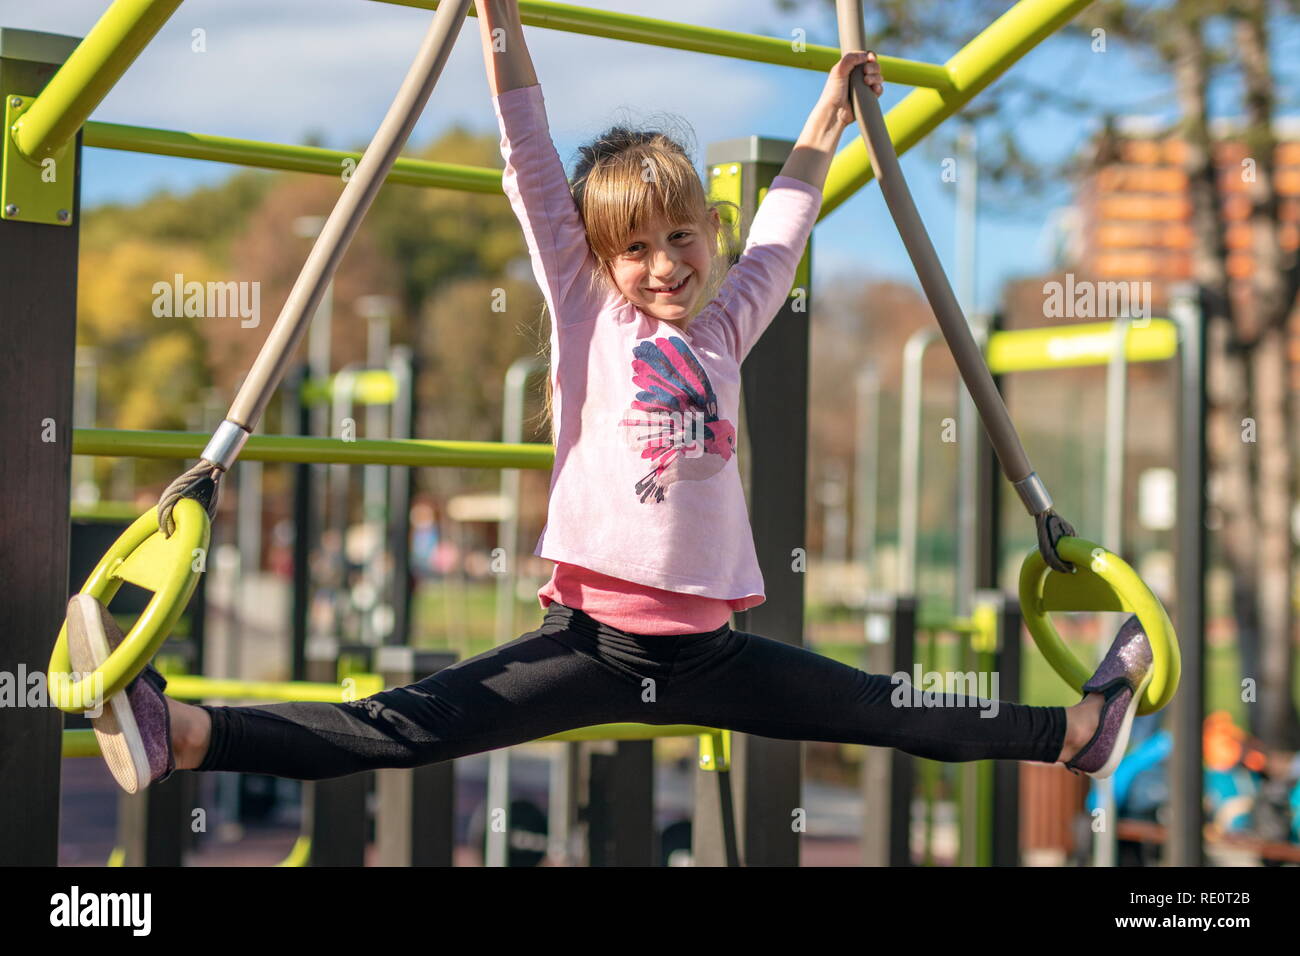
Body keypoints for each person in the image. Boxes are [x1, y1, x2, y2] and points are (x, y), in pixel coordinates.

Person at [68, 0, 1151, 797]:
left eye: (681, 238)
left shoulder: (729, 321)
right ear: (600, 261)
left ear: (706, 238)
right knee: (396, 726)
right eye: (634, 248)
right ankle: (187, 733)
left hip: (715, 651)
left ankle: (1078, 731)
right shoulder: (595, 320)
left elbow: (784, 221)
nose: (663, 264)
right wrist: (498, 23)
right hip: (590, 643)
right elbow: (532, 160)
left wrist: (829, 108)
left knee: (885, 706)